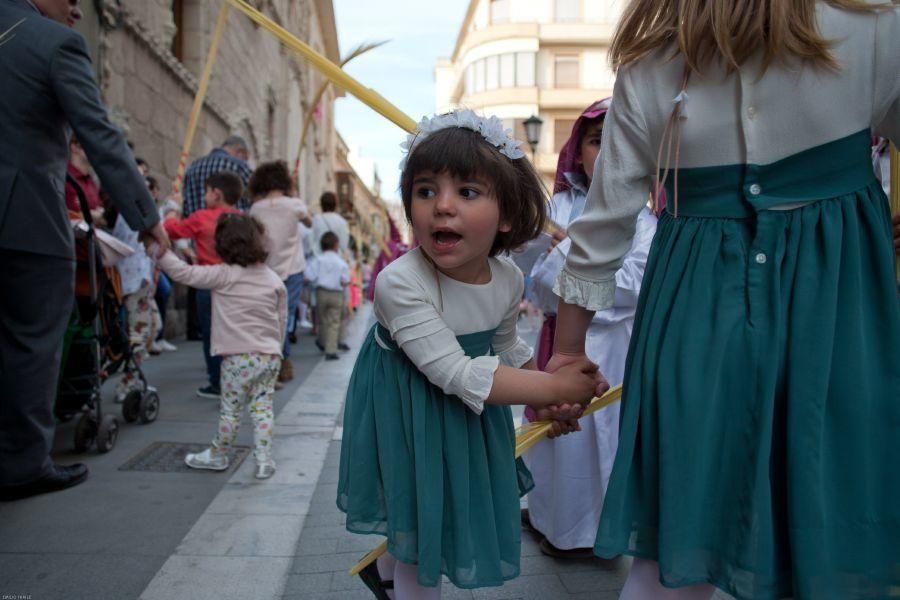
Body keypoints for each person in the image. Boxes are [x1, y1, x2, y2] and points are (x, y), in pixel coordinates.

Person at [549, 2, 900, 598]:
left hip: (695, 306)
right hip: (833, 303)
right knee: (832, 520)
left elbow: (603, 224)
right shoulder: (872, 25)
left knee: (675, 540)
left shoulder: (648, 61)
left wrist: (567, 350)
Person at [337, 111, 605, 599]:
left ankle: (389, 570)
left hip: (465, 409)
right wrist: (554, 387)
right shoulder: (399, 282)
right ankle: (406, 577)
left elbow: (506, 347)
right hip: (406, 411)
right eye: (425, 191)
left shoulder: (507, 278)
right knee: (423, 531)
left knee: (433, 509)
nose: (442, 206)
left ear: (506, 214)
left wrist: (546, 399)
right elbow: (454, 371)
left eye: (467, 192)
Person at [0, 0, 168, 502]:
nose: (77, 8)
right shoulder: (53, 42)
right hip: (23, 218)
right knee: (30, 343)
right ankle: (22, 464)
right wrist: (148, 218)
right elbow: (100, 136)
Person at [521, 98, 658, 559]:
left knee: (607, 441)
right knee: (560, 439)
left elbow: (639, 285)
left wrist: (575, 268)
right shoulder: (555, 209)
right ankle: (550, 520)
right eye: (598, 141)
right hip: (559, 342)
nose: (609, 150)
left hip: (617, 350)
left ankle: (596, 533)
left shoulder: (645, 219)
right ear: (579, 151)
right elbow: (536, 283)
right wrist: (571, 262)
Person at [156, 214, 285, 479]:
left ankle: (218, 454)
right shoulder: (273, 279)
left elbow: (184, 273)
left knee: (231, 411)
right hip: (268, 356)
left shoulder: (223, 275)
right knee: (262, 409)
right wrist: (275, 346)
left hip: (237, 357)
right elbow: (281, 318)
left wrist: (158, 252)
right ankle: (263, 460)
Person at [165, 171, 242, 398]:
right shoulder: (241, 218)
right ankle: (236, 378)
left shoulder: (202, 217)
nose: (205, 196)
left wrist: (173, 208)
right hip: (234, 283)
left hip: (208, 281)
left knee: (211, 334)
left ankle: (217, 382)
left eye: (207, 192)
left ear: (216, 193)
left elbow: (171, 229)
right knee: (233, 332)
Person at [247, 160, 313, 381]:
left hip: (265, 268)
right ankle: (281, 360)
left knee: (269, 315)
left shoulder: (256, 208)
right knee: (285, 315)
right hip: (292, 268)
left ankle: (271, 360)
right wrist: (294, 195)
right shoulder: (295, 205)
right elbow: (310, 222)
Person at [111, 214, 162, 400]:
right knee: (139, 334)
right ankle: (128, 382)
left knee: (152, 327)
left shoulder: (126, 214)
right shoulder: (133, 213)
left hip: (138, 279)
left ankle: (131, 377)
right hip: (135, 279)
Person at [305, 232, 350, 360]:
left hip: (321, 292)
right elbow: (345, 280)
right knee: (334, 322)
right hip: (336, 293)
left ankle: (323, 342)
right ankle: (330, 350)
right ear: (336, 245)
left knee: (322, 320)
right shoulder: (341, 262)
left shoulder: (318, 260)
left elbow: (309, 276)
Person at [181, 136, 253, 216]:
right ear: (240, 151)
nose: (245, 161)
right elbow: (259, 196)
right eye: (245, 158)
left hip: (195, 226)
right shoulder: (240, 166)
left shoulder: (192, 168)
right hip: (231, 226)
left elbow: (185, 206)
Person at [64, 136, 105, 226]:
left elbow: (100, 211)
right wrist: (90, 214)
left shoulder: (91, 180)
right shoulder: (65, 176)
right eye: (90, 146)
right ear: (74, 147)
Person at [311, 191, 350, 255]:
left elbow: (311, 242)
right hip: (336, 259)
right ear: (335, 205)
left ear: (321, 205)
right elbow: (344, 246)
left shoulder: (316, 220)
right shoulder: (342, 222)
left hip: (317, 259)